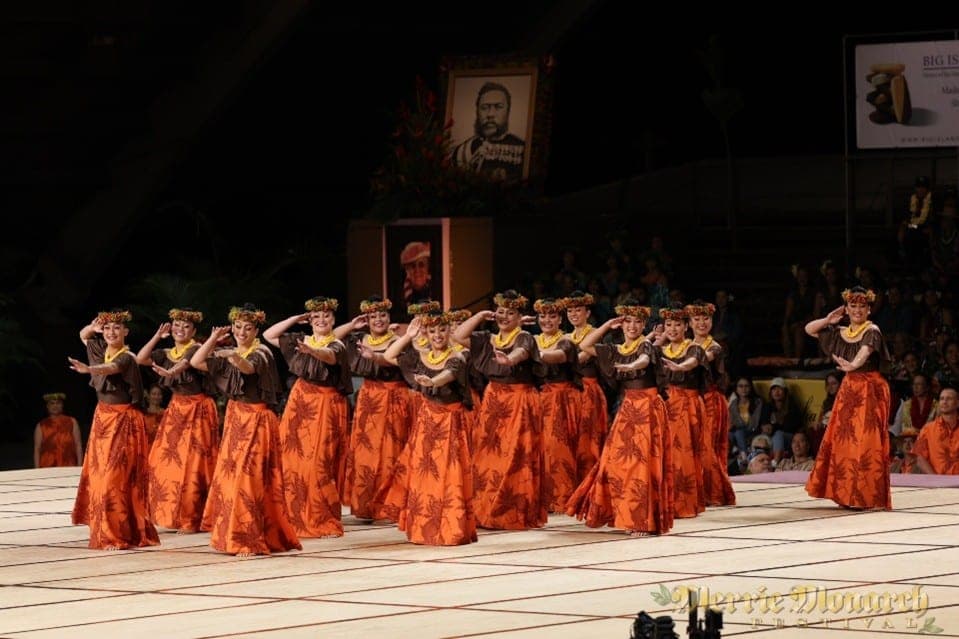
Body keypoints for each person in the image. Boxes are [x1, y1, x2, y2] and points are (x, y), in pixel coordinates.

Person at [190, 304, 301, 555]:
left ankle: (249, 537)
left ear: (256, 330)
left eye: (247, 328)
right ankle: (234, 534)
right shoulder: (229, 351)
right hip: (236, 418)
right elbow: (196, 361)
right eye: (238, 327)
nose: (241, 332)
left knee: (250, 479)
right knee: (231, 479)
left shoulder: (261, 352)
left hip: (257, 420)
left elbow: (247, 368)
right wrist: (213, 340)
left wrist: (230, 354)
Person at [565, 301, 672, 537]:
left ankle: (641, 520)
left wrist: (632, 365)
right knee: (613, 462)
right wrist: (606, 326)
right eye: (627, 322)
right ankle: (621, 512)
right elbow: (585, 344)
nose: (632, 326)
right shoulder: (617, 348)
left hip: (648, 408)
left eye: (636, 322)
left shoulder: (646, 345)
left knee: (642, 464)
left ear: (644, 324)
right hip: (628, 408)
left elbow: (643, 361)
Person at [375, 312, 477, 545]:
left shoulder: (458, 357)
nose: (438, 335)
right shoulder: (421, 356)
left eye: (442, 330)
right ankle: (424, 525)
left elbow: (448, 374)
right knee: (424, 472)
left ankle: (450, 526)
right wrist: (407, 336)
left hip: (449, 422)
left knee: (448, 473)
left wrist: (433, 382)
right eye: (432, 331)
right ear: (427, 334)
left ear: (449, 332)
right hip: (426, 420)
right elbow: (390, 355)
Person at [452, 290, 546, 530]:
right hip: (493, 399)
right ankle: (485, 509)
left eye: (511, 313)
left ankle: (510, 511)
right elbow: (457, 335)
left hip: (519, 401)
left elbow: (521, 352)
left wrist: (509, 360)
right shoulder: (487, 338)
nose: (505, 316)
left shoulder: (524, 336)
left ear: (519, 316)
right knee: (487, 455)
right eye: (501, 312)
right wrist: (481, 315)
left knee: (514, 456)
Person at [68, 309, 159, 550]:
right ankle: (106, 529)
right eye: (107, 329)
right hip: (103, 419)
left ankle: (116, 533)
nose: (111, 332)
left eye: (116, 328)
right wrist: (92, 327)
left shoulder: (126, 356)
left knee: (115, 478)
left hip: (123, 421)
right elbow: (83, 335)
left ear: (125, 332)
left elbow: (111, 369)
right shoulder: (99, 348)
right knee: (99, 477)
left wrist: (89, 370)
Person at [263, 296, 353, 539]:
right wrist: (295, 319)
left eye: (326, 316)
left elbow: (329, 357)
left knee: (318, 464)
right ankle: (292, 516)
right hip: (300, 402)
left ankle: (322, 518)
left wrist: (311, 349)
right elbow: (268, 336)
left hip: (325, 405)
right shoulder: (299, 340)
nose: (321, 320)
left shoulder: (337, 344)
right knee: (292, 462)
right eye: (316, 317)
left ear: (333, 319)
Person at [804, 287, 892, 510]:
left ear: (869, 309)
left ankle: (866, 495)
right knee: (845, 441)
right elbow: (809, 329)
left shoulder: (873, 330)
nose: (857, 310)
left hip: (869, 389)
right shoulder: (840, 332)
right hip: (849, 389)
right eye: (853, 306)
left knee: (866, 442)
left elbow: (865, 352)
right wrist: (827, 319)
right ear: (847, 308)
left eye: (862, 306)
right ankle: (846, 494)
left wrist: (852, 365)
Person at [135, 308, 220, 534]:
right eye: (177, 326)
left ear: (193, 331)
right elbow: (141, 358)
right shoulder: (167, 352)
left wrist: (170, 371)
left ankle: (193, 516)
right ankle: (171, 512)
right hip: (176, 409)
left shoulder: (196, 349)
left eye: (185, 327)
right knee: (165, 461)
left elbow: (186, 363)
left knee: (194, 463)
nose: (180, 330)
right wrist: (156, 336)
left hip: (197, 409)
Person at [332, 295, 411, 521]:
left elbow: (393, 360)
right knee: (368, 450)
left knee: (392, 450)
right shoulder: (359, 338)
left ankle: (390, 503)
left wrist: (374, 357)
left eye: (382, 315)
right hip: (369, 399)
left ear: (389, 317)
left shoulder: (399, 339)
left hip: (395, 397)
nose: (378, 320)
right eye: (373, 316)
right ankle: (368, 504)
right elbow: (330, 338)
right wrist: (352, 325)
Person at [531, 297, 579, 513]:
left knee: (557, 447)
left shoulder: (566, 342)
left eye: (552, 316)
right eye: (542, 316)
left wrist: (528, 354)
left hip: (561, 400)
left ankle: (561, 496)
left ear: (560, 319)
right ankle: (541, 496)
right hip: (539, 398)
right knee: (538, 447)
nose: (547, 320)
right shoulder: (531, 339)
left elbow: (556, 357)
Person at [658, 304, 707, 518]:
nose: (673, 329)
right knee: (666, 452)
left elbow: (692, 363)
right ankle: (667, 499)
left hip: (687, 406)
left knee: (683, 453)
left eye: (678, 324)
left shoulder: (694, 348)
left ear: (686, 326)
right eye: (669, 324)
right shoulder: (660, 349)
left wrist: (680, 368)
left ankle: (683, 503)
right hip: (666, 404)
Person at [687, 301, 736, 507]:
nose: (701, 323)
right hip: (692, 400)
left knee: (709, 447)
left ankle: (715, 492)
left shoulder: (714, 346)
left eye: (705, 319)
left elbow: (701, 360)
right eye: (696, 319)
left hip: (711, 400)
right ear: (689, 323)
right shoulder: (686, 345)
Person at [560, 291, 609, 481]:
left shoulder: (593, 334)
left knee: (588, 438)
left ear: (587, 313)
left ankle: (590, 480)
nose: (573, 314)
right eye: (570, 311)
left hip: (588, 390)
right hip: (569, 391)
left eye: (578, 310)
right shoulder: (565, 336)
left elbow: (580, 360)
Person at [449, 81, 526, 182]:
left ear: (508, 110)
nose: (490, 114)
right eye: (484, 108)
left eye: (498, 107)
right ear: (477, 112)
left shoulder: (523, 149)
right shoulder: (463, 150)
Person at [913, 387, 959, 474]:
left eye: (949, 399)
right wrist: (935, 480)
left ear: (957, 403)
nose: (944, 402)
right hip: (936, 483)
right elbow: (919, 457)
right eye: (942, 399)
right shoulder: (928, 429)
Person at [34, 392, 83, 468]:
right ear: (47, 406)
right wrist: (37, 470)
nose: (55, 406)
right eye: (52, 403)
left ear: (62, 405)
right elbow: (37, 449)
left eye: (58, 403)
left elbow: (78, 445)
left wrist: (80, 466)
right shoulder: (41, 425)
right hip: (47, 467)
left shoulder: (72, 422)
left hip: (69, 465)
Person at [399, 242, 433, 307]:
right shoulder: (400, 297)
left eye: (421, 265)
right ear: (407, 270)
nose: (417, 270)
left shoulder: (436, 289)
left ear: (428, 267)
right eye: (413, 266)